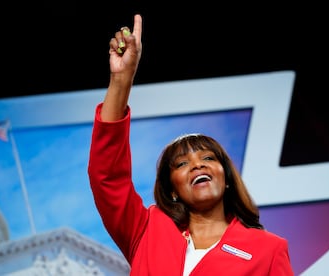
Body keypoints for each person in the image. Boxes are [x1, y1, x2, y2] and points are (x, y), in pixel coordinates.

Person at [87, 14, 294, 276]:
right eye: (182, 164)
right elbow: (106, 176)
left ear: (226, 177)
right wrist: (121, 78)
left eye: (208, 158)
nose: (197, 165)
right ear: (172, 189)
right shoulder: (147, 230)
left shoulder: (268, 249)